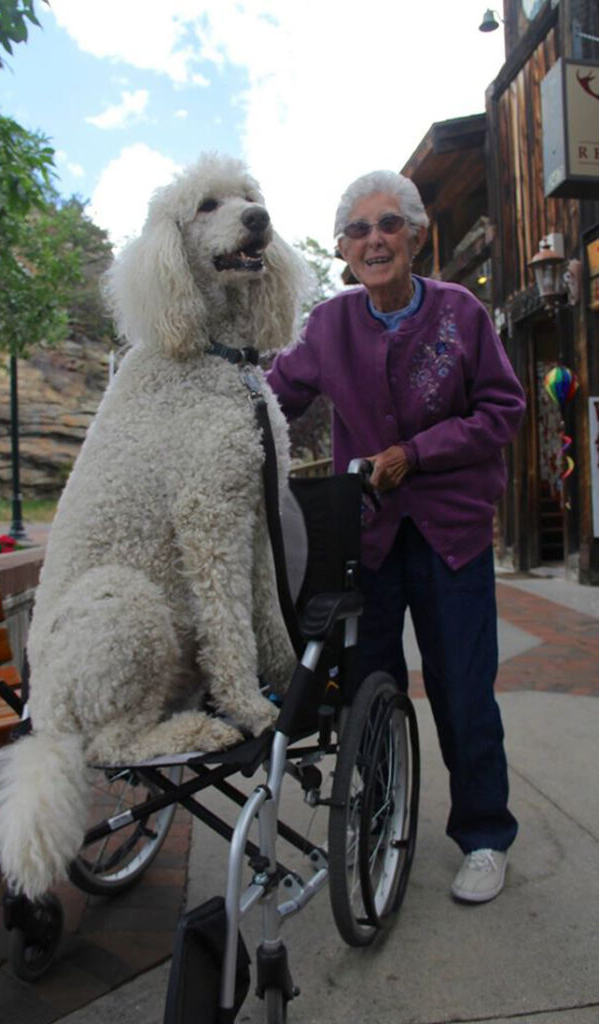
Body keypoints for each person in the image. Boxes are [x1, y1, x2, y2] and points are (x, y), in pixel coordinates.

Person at [266, 169, 526, 904]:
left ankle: (482, 835)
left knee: (463, 687)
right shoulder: (327, 325)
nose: (372, 240)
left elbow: (502, 411)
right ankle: (378, 822)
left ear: (415, 234)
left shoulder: (459, 312)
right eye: (357, 229)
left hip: (451, 535)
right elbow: (274, 397)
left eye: (387, 225)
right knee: (366, 689)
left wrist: (418, 453)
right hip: (367, 541)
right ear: (344, 249)